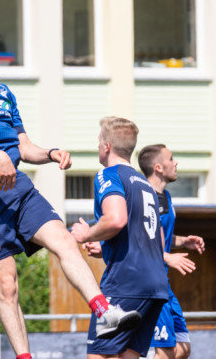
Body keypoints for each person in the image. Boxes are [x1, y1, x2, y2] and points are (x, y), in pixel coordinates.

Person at [0, 10, 140, 359]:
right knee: (7, 283)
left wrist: (50, 152)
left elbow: (23, 147)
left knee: (63, 239)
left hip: (17, 185)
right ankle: (24, 357)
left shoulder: (3, 91)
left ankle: (104, 312)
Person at [70, 117, 169, 359]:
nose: (97, 146)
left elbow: (115, 219)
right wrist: (105, 247)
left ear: (106, 147)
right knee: (127, 355)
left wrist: (87, 233)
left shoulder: (108, 174)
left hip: (126, 282)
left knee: (99, 356)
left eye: (98, 141)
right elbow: (154, 239)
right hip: (156, 285)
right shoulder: (146, 186)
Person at [137, 144, 205, 359]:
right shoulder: (142, 198)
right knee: (166, 351)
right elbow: (138, 241)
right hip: (146, 284)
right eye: (171, 159)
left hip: (162, 283)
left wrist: (183, 241)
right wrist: (166, 256)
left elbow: (159, 237)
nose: (175, 163)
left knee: (183, 349)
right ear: (158, 167)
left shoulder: (165, 196)